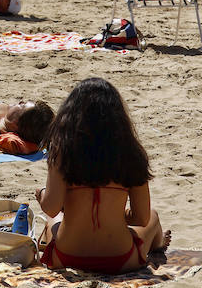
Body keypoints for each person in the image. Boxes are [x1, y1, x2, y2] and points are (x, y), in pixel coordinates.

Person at [35, 77, 170, 274]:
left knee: (52, 223)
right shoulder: (130, 154)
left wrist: (42, 194)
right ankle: (158, 244)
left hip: (66, 257)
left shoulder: (62, 153)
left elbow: (52, 208)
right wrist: (116, 214)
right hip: (121, 259)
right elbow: (141, 218)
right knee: (153, 217)